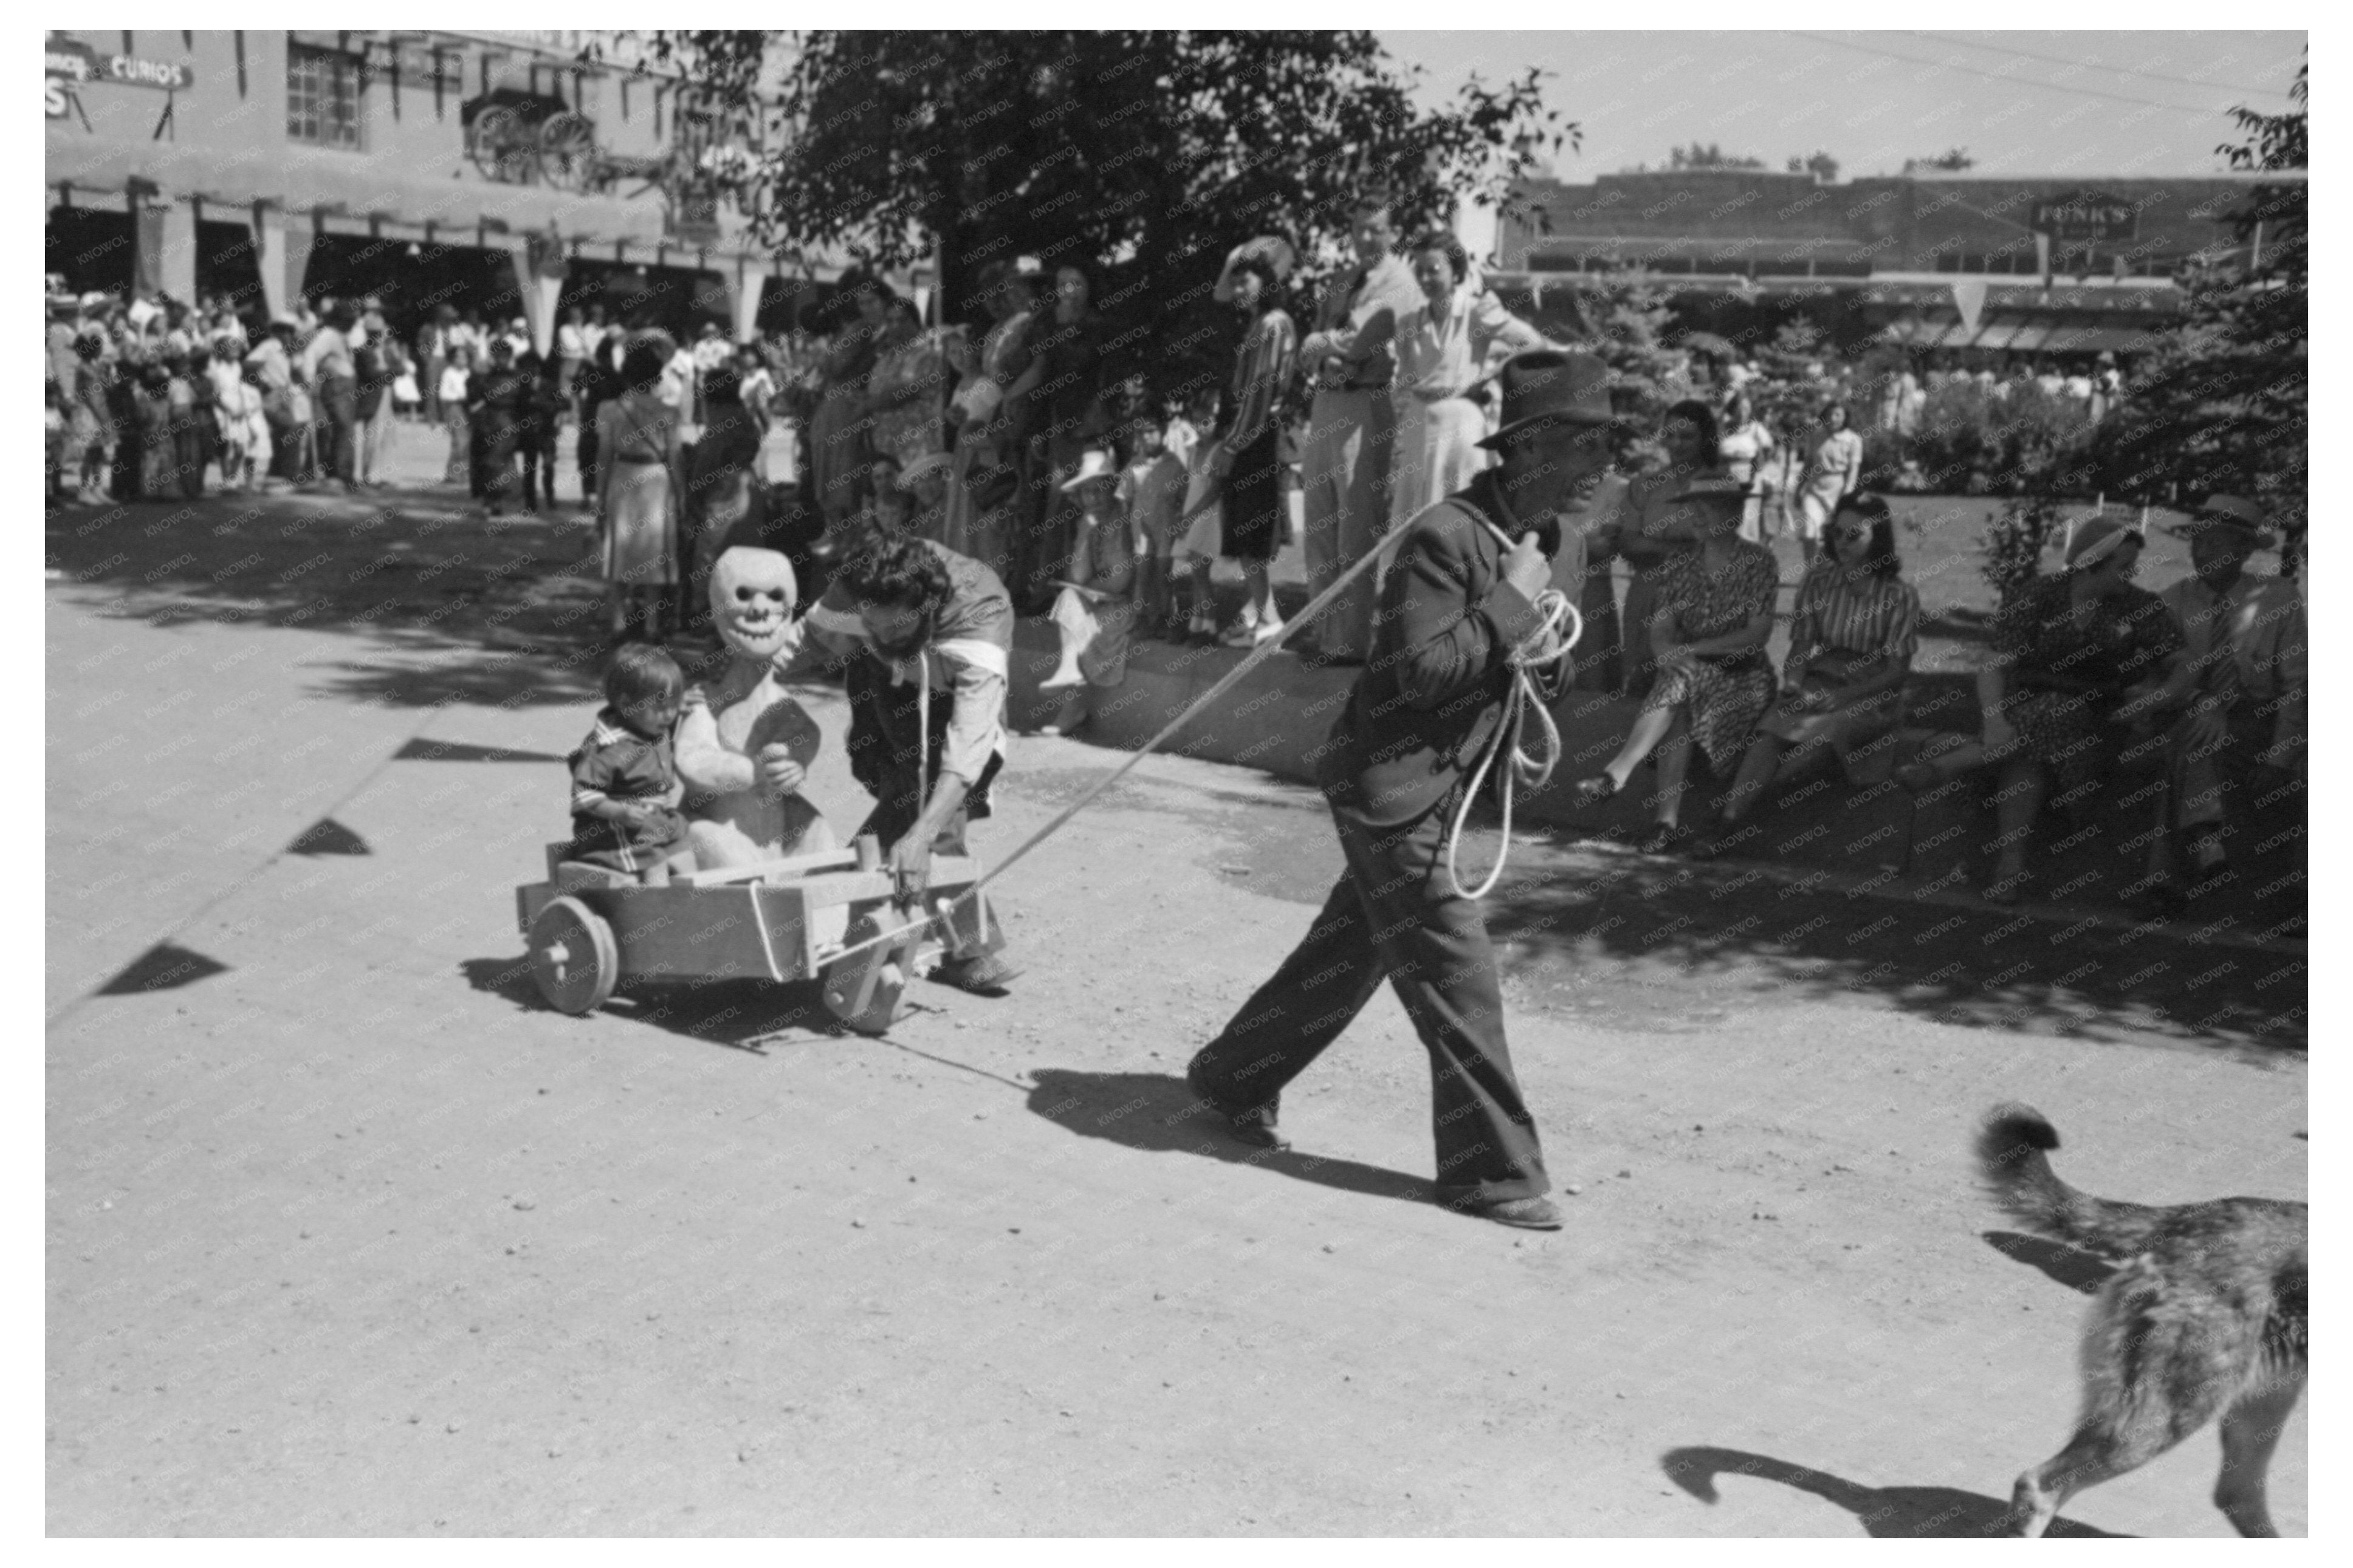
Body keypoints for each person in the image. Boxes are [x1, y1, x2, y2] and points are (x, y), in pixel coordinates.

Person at [1183, 349, 1616, 1232]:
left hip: (1455, 787)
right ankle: (1491, 1172)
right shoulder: (1444, 539)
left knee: (1349, 951)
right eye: (1583, 445)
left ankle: (1234, 1075)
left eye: (1606, 444)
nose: (1601, 466)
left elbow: (1548, 666)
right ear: (1527, 448)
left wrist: (1539, 634)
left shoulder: (1565, 546)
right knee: (1460, 975)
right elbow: (1421, 675)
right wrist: (1512, 606)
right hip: (1390, 786)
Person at [1894, 517, 2180, 904]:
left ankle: (1950, 765)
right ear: (2093, 561)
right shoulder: (2040, 595)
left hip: (2095, 732)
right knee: (2031, 747)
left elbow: (2186, 662)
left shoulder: (2139, 606)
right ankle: (2009, 870)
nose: (2132, 573)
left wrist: (2152, 700)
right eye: (2123, 564)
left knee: (2051, 714)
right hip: (2023, 730)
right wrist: (1995, 721)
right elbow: (1994, 664)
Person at [792, 530, 1023, 996]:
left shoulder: (983, 616)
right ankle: (887, 905)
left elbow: (967, 751)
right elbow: (806, 638)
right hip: (885, 678)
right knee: (883, 774)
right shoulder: (859, 587)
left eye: (894, 627)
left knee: (934, 809)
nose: (879, 633)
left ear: (929, 607)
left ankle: (967, 950)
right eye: (871, 625)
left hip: (947, 692)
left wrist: (922, 834)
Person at [1695, 493, 1918, 858]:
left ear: (1877, 537)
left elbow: (1897, 673)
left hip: (1871, 692)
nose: (1840, 543)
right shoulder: (1818, 580)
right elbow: (1800, 647)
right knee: (1770, 731)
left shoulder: (1898, 594)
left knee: (1821, 739)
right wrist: (1795, 683)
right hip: (1821, 678)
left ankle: (1735, 813)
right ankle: (1729, 821)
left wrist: (1847, 696)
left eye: (1854, 535)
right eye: (1836, 532)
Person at [1576, 479, 1778, 854]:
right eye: (1694, 506)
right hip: (1687, 672)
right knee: (1680, 695)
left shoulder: (1759, 561)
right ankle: (1663, 822)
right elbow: (1662, 630)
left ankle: (1618, 775)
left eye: (1710, 507)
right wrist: (1668, 653)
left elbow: (1756, 635)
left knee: (1679, 683)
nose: (1697, 515)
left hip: (1741, 675)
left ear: (1734, 516)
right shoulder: (1678, 563)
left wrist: (1694, 650)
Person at [2135, 495, 2306, 912]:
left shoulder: (2277, 598)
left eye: (2214, 543)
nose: (2201, 552)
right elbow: (2155, 675)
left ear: (2245, 551)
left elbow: (2299, 684)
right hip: (2187, 708)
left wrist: (2281, 758)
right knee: (2195, 734)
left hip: (2257, 715)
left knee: (2194, 748)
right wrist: (2199, 699)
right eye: (2197, 542)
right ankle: (2205, 847)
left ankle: (2169, 881)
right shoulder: (2173, 599)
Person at [1294, 194, 1422, 664]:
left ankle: (1349, 642)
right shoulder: (1343, 279)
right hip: (1327, 403)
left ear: (1393, 233)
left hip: (1367, 404)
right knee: (1320, 524)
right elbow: (1314, 344)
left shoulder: (1402, 281)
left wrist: (1323, 343)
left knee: (1355, 527)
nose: (1365, 238)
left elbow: (1361, 340)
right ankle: (1321, 632)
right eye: (1358, 229)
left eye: (1376, 229)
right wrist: (1324, 344)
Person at [1379, 228, 1547, 536]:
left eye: (1434, 270)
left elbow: (1531, 342)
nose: (1426, 278)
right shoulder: (1410, 323)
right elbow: (1404, 375)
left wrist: (1488, 376)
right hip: (1420, 422)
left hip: (1461, 425)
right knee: (1414, 512)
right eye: (1420, 271)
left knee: (1458, 512)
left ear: (1455, 270)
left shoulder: (1476, 311)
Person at [1202, 240, 1299, 648]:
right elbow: (1220, 292)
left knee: (1252, 540)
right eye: (1237, 282)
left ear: (1268, 281)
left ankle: (1270, 620)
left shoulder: (1273, 323)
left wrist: (1232, 445)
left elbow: (1260, 394)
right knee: (1245, 538)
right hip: (1250, 439)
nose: (1238, 289)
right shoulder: (1259, 323)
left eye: (1247, 281)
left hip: (1257, 441)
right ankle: (1262, 616)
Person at [1615, 399, 1731, 700]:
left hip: (1701, 596)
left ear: (1706, 438)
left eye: (1688, 436)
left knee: (1688, 685)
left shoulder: (1720, 487)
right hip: (1646, 593)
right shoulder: (1645, 485)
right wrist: (1683, 547)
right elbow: (1628, 543)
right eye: (1670, 435)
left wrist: (1654, 546)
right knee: (1640, 683)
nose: (1676, 444)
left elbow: (1717, 547)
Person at [561, 643, 698, 886]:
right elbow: (584, 795)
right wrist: (619, 812)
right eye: (660, 707)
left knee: (686, 845)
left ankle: (690, 899)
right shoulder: (608, 748)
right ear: (626, 704)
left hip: (655, 820)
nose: (669, 715)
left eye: (673, 705)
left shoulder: (654, 726)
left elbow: (668, 720)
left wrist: (680, 704)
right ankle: (657, 912)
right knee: (654, 860)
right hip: (613, 832)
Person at [1037, 449, 1139, 736]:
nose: (1093, 499)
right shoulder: (1088, 521)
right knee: (1068, 599)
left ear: (1111, 490)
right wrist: (1085, 533)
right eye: (1086, 493)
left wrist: (1091, 587)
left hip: (1124, 603)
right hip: (1097, 599)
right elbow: (1080, 575)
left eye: (1099, 491)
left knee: (1079, 613)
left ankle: (1072, 709)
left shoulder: (1123, 519)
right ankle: (1069, 672)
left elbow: (1120, 580)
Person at [1026, 263, 1108, 611]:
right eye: (1064, 284)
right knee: (1057, 506)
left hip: (1091, 427)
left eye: (1077, 283)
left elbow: (1105, 381)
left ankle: (1093, 584)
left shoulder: (1097, 326)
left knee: (1094, 505)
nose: (1071, 290)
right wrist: (1036, 429)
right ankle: (1047, 588)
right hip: (1057, 426)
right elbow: (1039, 379)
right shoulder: (1044, 324)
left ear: (1087, 287)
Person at [596, 342, 684, 638]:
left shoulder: (610, 409)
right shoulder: (669, 412)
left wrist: (599, 499)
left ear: (626, 375)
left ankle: (618, 622)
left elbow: (604, 457)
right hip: (657, 480)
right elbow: (676, 459)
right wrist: (682, 497)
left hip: (622, 478)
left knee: (619, 551)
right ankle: (652, 624)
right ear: (658, 376)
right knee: (655, 552)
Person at [808, 274, 891, 529]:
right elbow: (832, 364)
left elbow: (832, 364)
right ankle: (844, 535)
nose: (867, 308)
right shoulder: (863, 328)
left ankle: (848, 536)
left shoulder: (867, 329)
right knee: (843, 475)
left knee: (847, 476)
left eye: (873, 301)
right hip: (845, 408)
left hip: (855, 409)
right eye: (862, 302)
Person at [1118, 414, 1188, 639]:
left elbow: (1185, 498)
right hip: (1141, 527)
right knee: (1142, 572)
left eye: (1152, 431)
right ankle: (1142, 618)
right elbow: (1124, 499)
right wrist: (1124, 529)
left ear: (1163, 432)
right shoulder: (1134, 465)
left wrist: (1181, 521)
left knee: (1163, 572)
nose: (1147, 437)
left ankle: (1168, 619)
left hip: (1165, 525)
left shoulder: (1174, 465)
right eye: (1142, 433)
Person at [1171, 385, 1226, 643]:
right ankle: (1197, 624)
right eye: (1197, 422)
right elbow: (1189, 485)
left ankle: (1210, 627)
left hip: (1207, 518)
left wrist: (1190, 517)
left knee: (1202, 574)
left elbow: (1214, 491)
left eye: (1206, 422)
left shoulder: (1218, 451)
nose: (1201, 427)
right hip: (1192, 516)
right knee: (1196, 574)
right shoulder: (1195, 452)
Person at [1796, 402, 1864, 569]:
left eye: (1838, 415)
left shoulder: (1853, 440)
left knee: (1833, 533)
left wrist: (1848, 492)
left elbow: (1853, 470)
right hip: (1815, 490)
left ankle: (1831, 569)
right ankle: (1809, 570)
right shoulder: (1816, 436)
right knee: (1810, 528)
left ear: (1845, 417)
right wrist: (1799, 489)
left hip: (1838, 490)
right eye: (1830, 415)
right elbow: (1808, 465)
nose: (1833, 419)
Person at [302, 301, 361, 492]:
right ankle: (340, 475)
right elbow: (310, 355)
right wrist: (309, 380)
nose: (353, 323)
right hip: (337, 385)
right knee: (343, 428)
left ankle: (342, 473)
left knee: (344, 429)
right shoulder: (327, 335)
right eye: (350, 319)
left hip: (347, 385)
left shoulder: (341, 336)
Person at [467, 338, 530, 517]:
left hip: (509, 424)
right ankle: (489, 499)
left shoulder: (519, 377)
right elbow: (472, 399)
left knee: (502, 462)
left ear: (510, 356)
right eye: (498, 355)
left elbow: (524, 404)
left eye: (505, 356)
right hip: (488, 422)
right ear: (493, 356)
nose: (501, 359)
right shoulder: (483, 377)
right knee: (486, 463)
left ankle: (498, 500)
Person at [1717, 389, 1776, 544]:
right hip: (1726, 477)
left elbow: (1769, 448)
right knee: (1726, 518)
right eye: (1739, 408)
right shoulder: (1722, 428)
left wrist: (1759, 464)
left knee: (1746, 517)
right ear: (1732, 409)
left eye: (1746, 408)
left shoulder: (1756, 429)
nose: (1743, 412)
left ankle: (1747, 551)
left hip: (1749, 477)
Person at [438, 347, 475, 486]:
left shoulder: (468, 372)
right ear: (454, 359)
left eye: (465, 357)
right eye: (460, 357)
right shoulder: (449, 373)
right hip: (455, 407)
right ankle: (453, 473)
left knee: (468, 442)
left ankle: (464, 473)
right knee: (459, 442)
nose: (463, 360)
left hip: (467, 408)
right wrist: (460, 397)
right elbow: (443, 394)